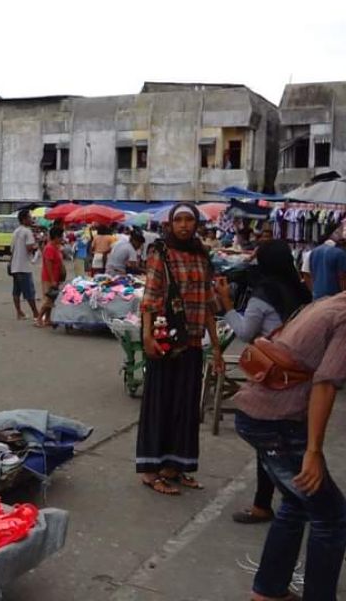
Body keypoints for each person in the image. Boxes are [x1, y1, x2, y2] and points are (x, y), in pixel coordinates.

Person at [232, 260, 346, 601]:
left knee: (297, 503)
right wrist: (313, 452)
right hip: (276, 421)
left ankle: (269, 590)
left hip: (260, 413)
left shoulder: (329, 301)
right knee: (332, 517)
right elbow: (326, 384)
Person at [214, 241, 312, 525]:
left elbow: (246, 332)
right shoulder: (302, 292)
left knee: (266, 441)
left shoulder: (263, 294)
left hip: (274, 377)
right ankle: (277, 500)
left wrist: (228, 305)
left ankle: (274, 503)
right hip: (301, 375)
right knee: (293, 441)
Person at [137, 204, 223, 495]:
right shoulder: (161, 253)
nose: (184, 225)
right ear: (170, 224)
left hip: (194, 342)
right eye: (179, 220)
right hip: (165, 342)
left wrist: (217, 347)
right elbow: (150, 298)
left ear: (196, 223)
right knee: (160, 403)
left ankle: (175, 466)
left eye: (189, 220)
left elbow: (209, 304)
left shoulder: (202, 255)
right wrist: (147, 336)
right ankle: (150, 470)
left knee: (186, 407)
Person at [9, 209, 40, 322]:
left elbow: (11, 249)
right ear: (24, 219)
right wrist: (36, 246)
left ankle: (19, 312)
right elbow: (29, 248)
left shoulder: (16, 232)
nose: (31, 219)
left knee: (16, 291)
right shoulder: (27, 232)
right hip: (24, 266)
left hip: (15, 266)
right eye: (30, 217)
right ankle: (36, 314)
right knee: (29, 292)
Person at [37, 222, 67, 328]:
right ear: (56, 237)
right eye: (61, 236)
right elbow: (48, 265)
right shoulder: (49, 248)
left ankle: (47, 319)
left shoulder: (56, 247)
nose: (62, 238)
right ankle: (39, 318)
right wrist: (52, 279)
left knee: (52, 298)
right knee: (48, 300)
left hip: (55, 277)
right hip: (49, 278)